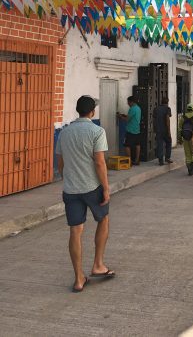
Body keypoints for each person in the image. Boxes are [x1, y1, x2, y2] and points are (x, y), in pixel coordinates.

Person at [56, 95, 115, 293]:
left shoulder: (64, 132)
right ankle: (98, 264)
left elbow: (61, 163)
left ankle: (78, 279)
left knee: (75, 231)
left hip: (71, 189)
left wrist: (69, 179)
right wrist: (106, 188)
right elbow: (99, 162)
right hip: (92, 187)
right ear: (92, 112)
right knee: (103, 220)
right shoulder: (97, 131)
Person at [178, 103, 193, 176]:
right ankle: (192, 164)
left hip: (186, 139)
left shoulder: (182, 117)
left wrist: (179, 138)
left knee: (188, 155)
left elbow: (180, 129)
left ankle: (190, 170)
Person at [117, 96, 141, 166]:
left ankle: (129, 161)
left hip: (130, 130)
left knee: (127, 145)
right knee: (137, 145)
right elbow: (132, 117)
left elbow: (127, 119)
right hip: (137, 129)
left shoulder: (132, 109)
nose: (127, 104)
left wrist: (120, 116)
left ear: (131, 102)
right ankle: (137, 160)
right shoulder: (138, 108)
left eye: (128, 102)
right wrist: (124, 115)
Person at [153, 96, 173, 166]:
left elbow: (154, 120)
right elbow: (167, 119)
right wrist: (169, 131)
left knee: (160, 144)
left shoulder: (156, 109)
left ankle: (160, 160)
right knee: (169, 142)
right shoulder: (167, 109)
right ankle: (167, 158)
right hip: (165, 130)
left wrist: (154, 129)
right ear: (167, 102)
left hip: (158, 130)